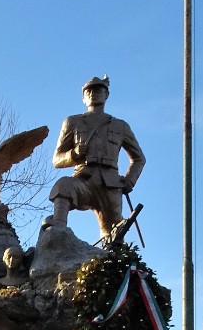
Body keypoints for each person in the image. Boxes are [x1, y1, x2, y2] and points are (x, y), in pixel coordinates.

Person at [47, 76, 145, 239]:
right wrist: (74, 154)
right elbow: (57, 159)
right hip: (84, 179)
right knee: (63, 186)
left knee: (113, 236)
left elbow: (139, 158)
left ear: (106, 95)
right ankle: (58, 229)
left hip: (111, 185)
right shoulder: (72, 122)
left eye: (98, 90)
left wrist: (130, 180)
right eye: (89, 91)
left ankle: (110, 260)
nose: (93, 93)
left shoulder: (120, 126)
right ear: (83, 97)